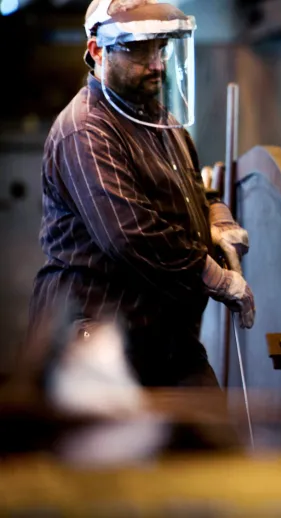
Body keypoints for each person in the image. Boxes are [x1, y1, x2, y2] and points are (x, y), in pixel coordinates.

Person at [26, 0, 255, 388]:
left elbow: (191, 192)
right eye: (137, 49)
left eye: (160, 47)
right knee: (113, 450)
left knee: (211, 445)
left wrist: (216, 217)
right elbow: (129, 235)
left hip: (166, 337)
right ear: (98, 50)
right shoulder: (86, 130)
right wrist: (213, 276)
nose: (157, 64)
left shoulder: (160, 121)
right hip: (97, 339)